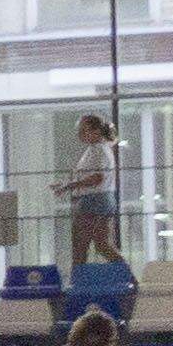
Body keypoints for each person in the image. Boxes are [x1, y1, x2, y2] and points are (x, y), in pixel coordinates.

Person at [60, 110, 123, 268]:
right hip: (99, 200)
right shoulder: (96, 149)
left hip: (94, 201)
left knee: (81, 246)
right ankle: (125, 273)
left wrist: (70, 186)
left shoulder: (99, 150)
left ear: (96, 131)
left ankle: (79, 278)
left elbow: (97, 178)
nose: (80, 135)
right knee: (101, 244)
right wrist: (69, 183)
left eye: (83, 130)